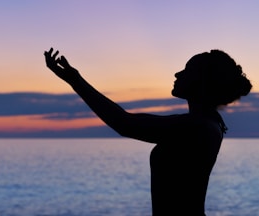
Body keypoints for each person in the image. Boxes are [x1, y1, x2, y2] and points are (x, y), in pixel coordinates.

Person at [44, 48, 252, 215]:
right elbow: (128, 121)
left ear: (202, 81)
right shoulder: (204, 123)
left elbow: (124, 123)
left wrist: (76, 81)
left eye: (187, 70)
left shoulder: (197, 127)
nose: (177, 73)